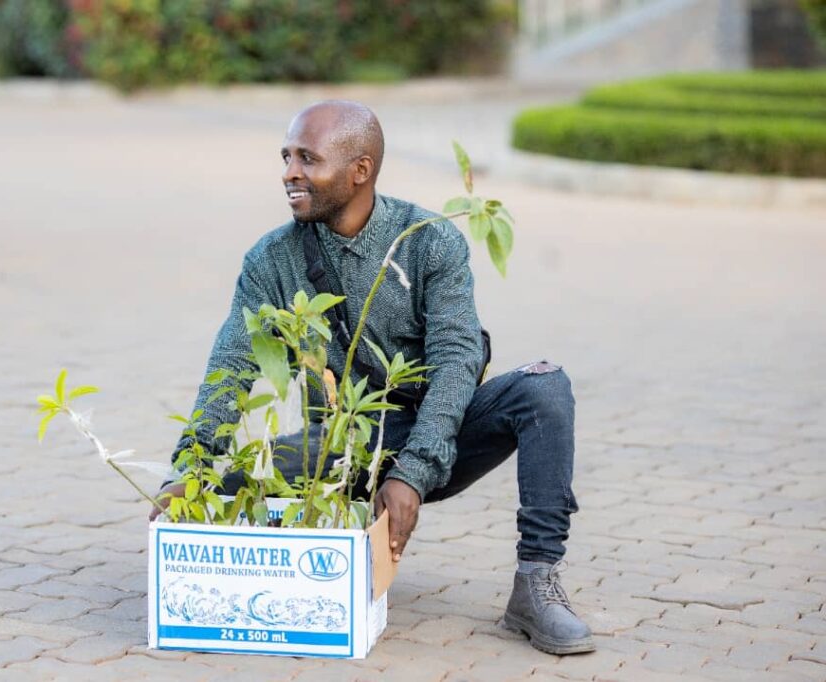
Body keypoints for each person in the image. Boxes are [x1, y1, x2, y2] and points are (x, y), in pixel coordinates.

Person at [152, 100, 594, 655]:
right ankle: (264, 582)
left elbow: (457, 360)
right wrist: (185, 472)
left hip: (437, 439)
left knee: (544, 387)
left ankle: (536, 582)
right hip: (340, 451)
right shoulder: (270, 260)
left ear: (360, 170)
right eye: (286, 157)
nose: (289, 171)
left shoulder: (430, 240)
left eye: (307, 159)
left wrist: (413, 472)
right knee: (229, 478)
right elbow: (230, 369)